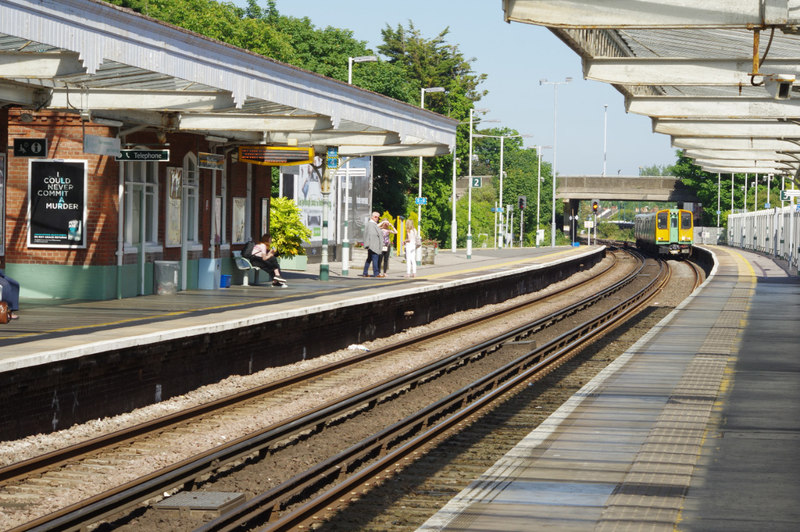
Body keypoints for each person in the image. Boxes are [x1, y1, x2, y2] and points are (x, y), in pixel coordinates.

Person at [361, 211, 383, 277]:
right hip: (373, 245)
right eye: (375, 217)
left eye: (378, 217)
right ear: (372, 217)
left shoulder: (371, 224)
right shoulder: (371, 224)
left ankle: (365, 273)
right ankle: (376, 273)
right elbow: (372, 234)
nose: (377, 218)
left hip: (371, 245)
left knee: (369, 259)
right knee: (375, 259)